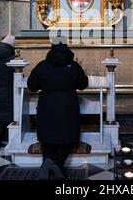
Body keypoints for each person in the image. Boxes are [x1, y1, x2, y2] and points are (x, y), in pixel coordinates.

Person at [27, 37, 88, 179]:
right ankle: (58, 163)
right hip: (68, 105)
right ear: (66, 46)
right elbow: (83, 84)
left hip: (47, 104)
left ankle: (47, 160)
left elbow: (32, 86)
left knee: (48, 136)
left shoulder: (42, 65)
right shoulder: (73, 66)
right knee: (69, 137)